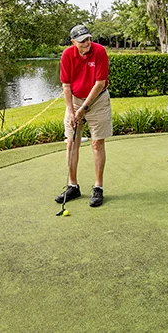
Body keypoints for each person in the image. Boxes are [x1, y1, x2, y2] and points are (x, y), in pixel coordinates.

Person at [55, 24, 111, 208]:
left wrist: (82, 110)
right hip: (76, 100)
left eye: (88, 39)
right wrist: (71, 111)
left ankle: (98, 188)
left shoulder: (99, 51)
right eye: (82, 41)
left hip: (98, 100)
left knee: (97, 142)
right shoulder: (67, 55)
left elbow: (100, 83)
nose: (87, 43)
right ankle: (73, 186)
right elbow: (66, 86)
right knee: (72, 142)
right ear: (73, 42)